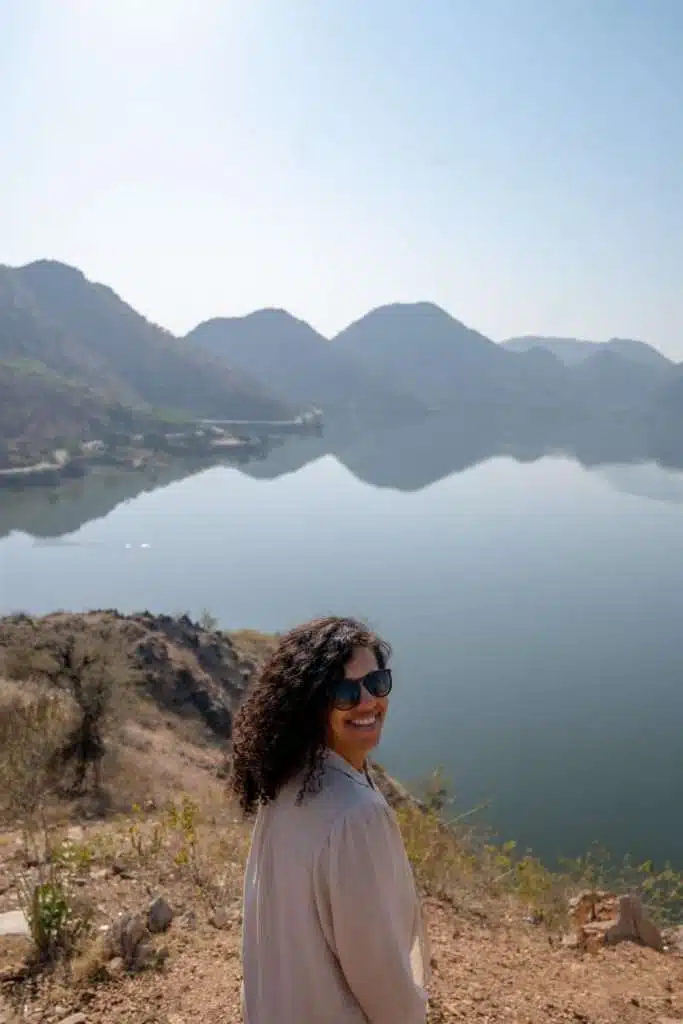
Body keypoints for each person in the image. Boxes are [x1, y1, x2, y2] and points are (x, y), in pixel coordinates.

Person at [231, 616, 429, 1024]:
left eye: (376, 684)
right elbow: (382, 980)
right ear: (312, 705)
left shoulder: (288, 782)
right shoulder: (356, 817)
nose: (367, 702)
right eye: (343, 692)